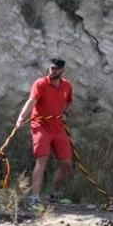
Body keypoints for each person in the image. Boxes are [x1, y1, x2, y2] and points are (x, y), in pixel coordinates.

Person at [15, 58, 73, 211]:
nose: (53, 72)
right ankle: (34, 198)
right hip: (41, 125)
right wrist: (22, 117)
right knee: (42, 159)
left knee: (66, 164)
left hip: (58, 127)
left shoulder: (67, 85)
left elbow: (68, 101)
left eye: (56, 69)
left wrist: (66, 113)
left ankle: (55, 194)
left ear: (62, 70)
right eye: (51, 69)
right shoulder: (40, 84)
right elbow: (31, 101)